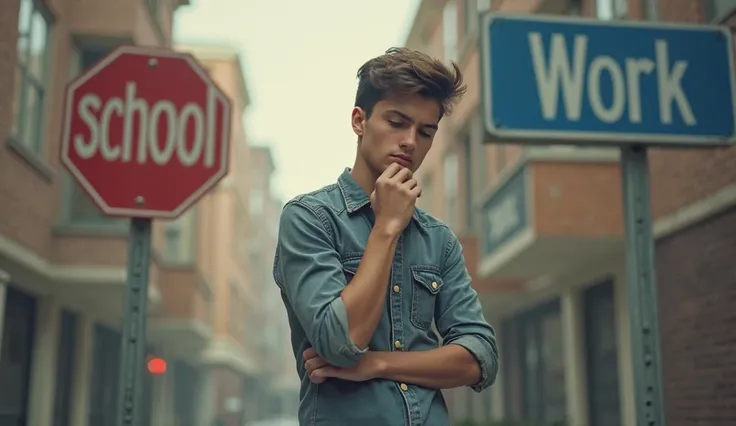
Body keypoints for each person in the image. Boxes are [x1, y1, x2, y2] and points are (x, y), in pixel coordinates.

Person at [272, 47, 499, 426]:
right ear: (359, 121)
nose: (411, 141)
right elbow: (341, 343)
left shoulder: (438, 239)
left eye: (426, 132)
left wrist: (376, 364)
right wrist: (387, 226)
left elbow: (480, 358)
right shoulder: (310, 218)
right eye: (397, 122)